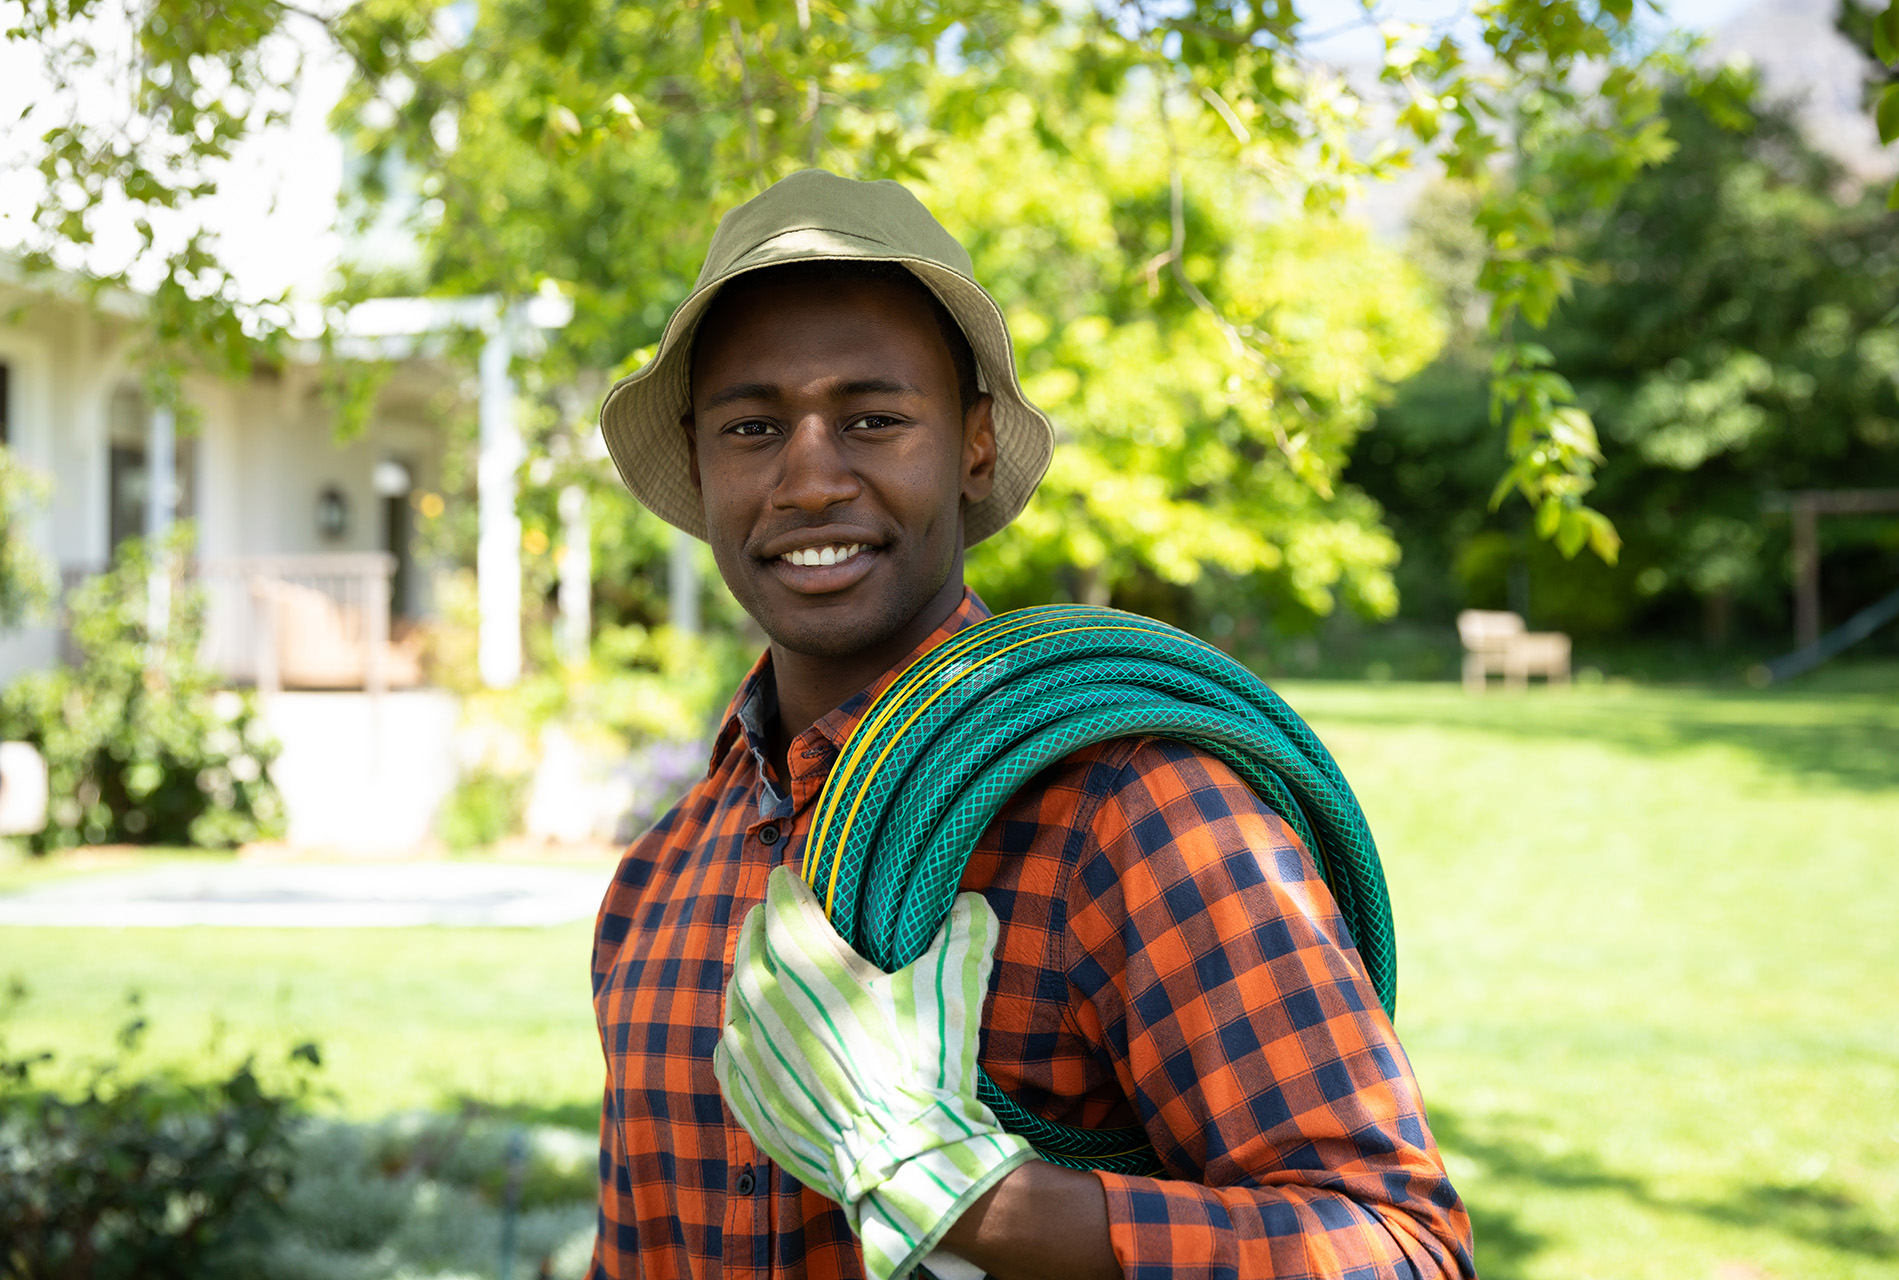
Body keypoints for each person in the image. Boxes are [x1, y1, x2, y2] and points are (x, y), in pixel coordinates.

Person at [589, 168, 1474, 1280]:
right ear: (705, 461)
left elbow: (1396, 1247)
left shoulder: (1136, 811)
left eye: (873, 417)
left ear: (972, 443)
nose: (809, 477)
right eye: (754, 425)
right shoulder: (660, 879)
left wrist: (964, 1197)